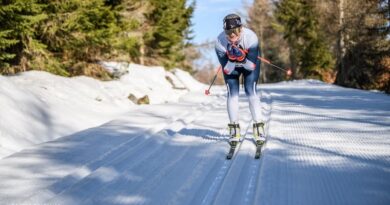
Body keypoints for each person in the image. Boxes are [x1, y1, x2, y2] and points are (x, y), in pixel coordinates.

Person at [215, 13, 265, 146]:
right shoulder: (220, 42)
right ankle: (234, 129)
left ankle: (259, 127)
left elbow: (251, 66)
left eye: (235, 33)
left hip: (249, 64)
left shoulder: (251, 38)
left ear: (241, 29)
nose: (232, 37)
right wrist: (231, 58)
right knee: (232, 94)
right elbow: (227, 69)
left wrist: (242, 58)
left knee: (251, 91)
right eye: (228, 33)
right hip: (231, 67)